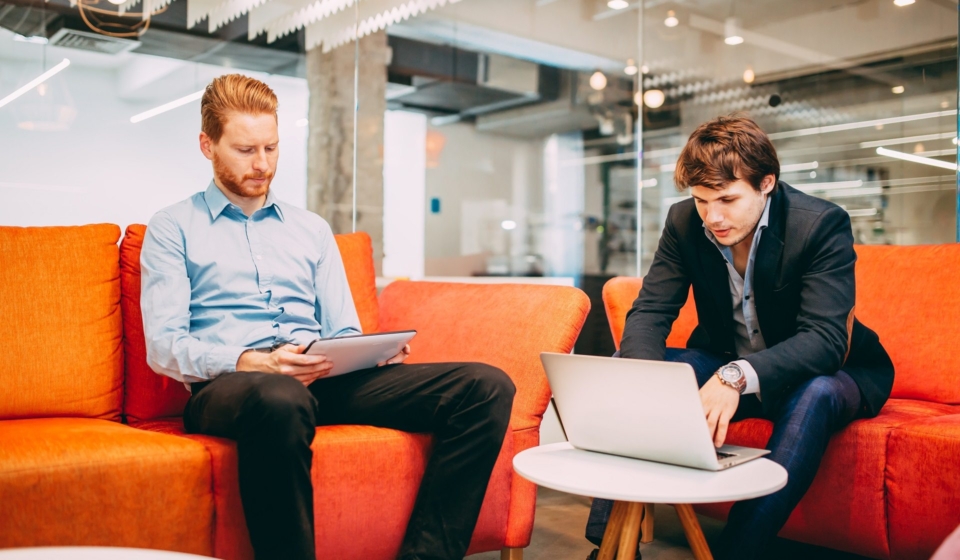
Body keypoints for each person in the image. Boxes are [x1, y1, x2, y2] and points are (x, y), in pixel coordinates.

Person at [140, 74, 515, 560]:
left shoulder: (311, 230)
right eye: (245, 150)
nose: (262, 164)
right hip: (233, 387)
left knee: (486, 387)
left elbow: (343, 330)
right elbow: (164, 346)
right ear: (207, 146)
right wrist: (255, 361)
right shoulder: (172, 228)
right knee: (280, 396)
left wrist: (370, 354)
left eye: (271, 148)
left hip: (321, 379)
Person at [584, 115, 894, 560]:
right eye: (701, 200)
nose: (713, 217)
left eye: (728, 199)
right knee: (639, 369)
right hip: (725, 356)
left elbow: (825, 339)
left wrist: (735, 376)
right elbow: (651, 310)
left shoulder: (819, 224)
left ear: (766, 183)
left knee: (816, 393)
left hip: (828, 370)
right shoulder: (684, 222)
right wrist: (644, 381)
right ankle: (612, 549)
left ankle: (737, 552)